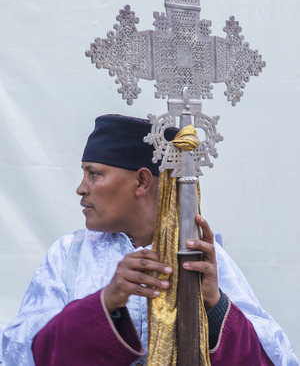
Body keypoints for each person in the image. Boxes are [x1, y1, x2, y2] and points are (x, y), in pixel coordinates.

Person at [2, 114, 298, 365]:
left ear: (142, 182)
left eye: (94, 175)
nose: (81, 188)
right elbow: (22, 350)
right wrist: (107, 302)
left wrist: (215, 305)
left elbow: (269, 358)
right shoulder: (68, 255)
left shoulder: (204, 258)